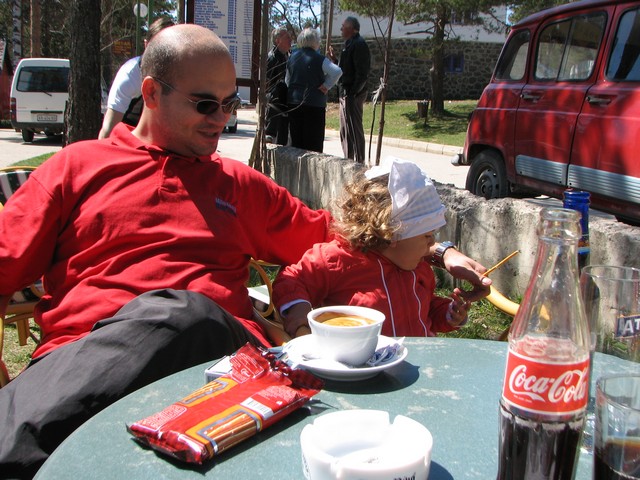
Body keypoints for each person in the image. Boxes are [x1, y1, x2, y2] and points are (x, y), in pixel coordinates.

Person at [0, 25, 489, 477]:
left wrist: (439, 249)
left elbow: (348, 233)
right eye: (205, 104)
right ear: (150, 93)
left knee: (186, 315)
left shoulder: (238, 186)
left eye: (230, 104)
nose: (222, 119)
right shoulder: (77, 168)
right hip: (82, 369)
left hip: (221, 369)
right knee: (176, 315)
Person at [273, 158, 491, 338]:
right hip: (363, 366)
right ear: (392, 233)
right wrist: (300, 315)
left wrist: (449, 314)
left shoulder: (418, 268)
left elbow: (425, 309)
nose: (431, 243)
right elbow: (292, 279)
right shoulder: (339, 259)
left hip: (417, 364)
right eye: (426, 235)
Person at [98, 17, 174, 139]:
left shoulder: (178, 75)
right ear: (146, 44)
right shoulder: (130, 76)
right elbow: (108, 129)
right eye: (158, 47)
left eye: (169, 48)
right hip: (127, 140)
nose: (163, 55)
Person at [286, 28, 342, 153]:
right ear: (315, 41)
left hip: (294, 103)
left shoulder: (292, 57)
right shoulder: (319, 58)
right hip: (315, 104)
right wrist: (326, 85)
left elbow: (287, 80)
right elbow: (337, 71)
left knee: (296, 142)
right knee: (313, 145)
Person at [328, 16, 370, 164]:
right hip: (345, 93)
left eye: (343, 26)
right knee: (345, 130)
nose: (341, 29)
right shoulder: (349, 44)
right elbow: (344, 70)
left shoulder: (359, 44)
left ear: (351, 29)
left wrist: (352, 93)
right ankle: (349, 160)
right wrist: (334, 60)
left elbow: (362, 73)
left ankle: (358, 162)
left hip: (352, 94)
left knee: (354, 129)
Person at [265, 28, 292, 145]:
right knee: (272, 141)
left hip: (284, 105)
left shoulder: (287, 56)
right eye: (287, 37)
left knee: (283, 140)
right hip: (275, 107)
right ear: (278, 40)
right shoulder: (273, 58)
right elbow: (267, 85)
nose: (290, 40)